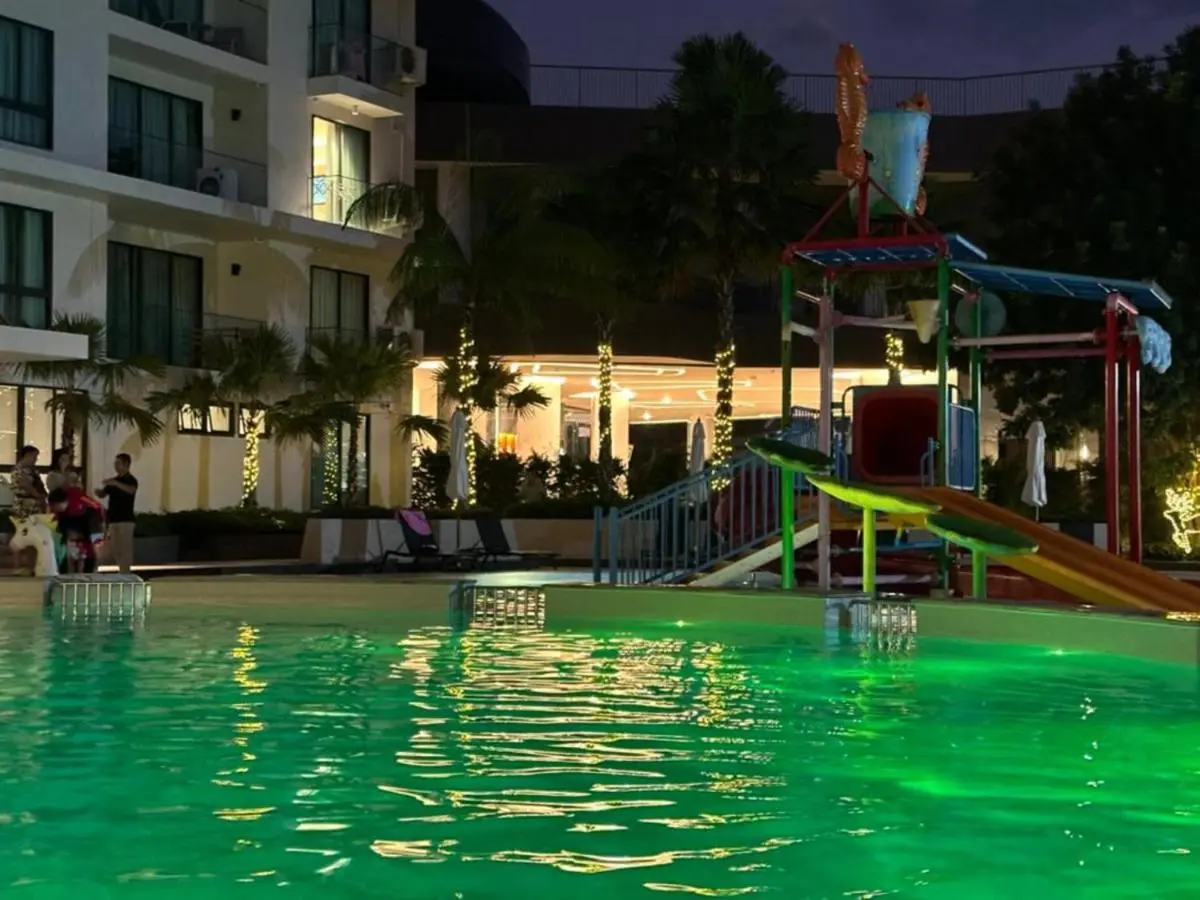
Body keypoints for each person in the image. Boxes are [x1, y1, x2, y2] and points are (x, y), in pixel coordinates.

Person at [48, 484, 105, 574]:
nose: (55, 509)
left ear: (62, 502)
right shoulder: (61, 512)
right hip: (76, 523)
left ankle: (89, 567)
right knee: (73, 551)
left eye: (56, 507)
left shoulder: (78, 501)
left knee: (88, 551)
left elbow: (97, 508)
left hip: (90, 520)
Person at [96, 453, 138, 573]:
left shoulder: (131, 480)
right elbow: (103, 494)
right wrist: (99, 492)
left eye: (118, 463)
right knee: (115, 548)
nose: (115, 466)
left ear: (126, 464)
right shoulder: (113, 481)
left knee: (125, 548)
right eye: (115, 463)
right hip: (113, 519)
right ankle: (121, 569)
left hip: (126, 520)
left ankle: (126, 573)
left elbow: (131, 490)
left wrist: (115, 483)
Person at [9, 445, 47, 576]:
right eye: (34, 457)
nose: (35, 459)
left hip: (35, 508)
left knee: (34, 537)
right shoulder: (18, 470)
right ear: (26, 455)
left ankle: (32, 566)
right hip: (23, 508)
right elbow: (25, 485)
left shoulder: (33, 471)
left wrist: (43, 498)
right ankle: (19, 566)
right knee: (22, 536)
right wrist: (37, 495)